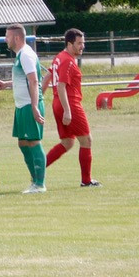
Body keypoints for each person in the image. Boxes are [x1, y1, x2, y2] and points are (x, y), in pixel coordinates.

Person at [0, 24, 47, 194]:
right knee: (23, 142)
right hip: (21, 106)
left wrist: (34, 106)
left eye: (7, 36)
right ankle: (34, 179)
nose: (5, 39)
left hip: (29, 105)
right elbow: (24, 78)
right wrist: (7, 84)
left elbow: (33, 81)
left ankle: (40, 184)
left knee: (33, 141)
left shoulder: (26, 55)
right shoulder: (20, 55)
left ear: (16, 38)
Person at [42, 29, 100, 187]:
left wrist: (39, 97)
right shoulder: (67, 60)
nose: (82, 46)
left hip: (57, 103)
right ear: (69, 44)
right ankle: (86, 181)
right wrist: (67, 110)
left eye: (83, 43)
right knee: (86, 140)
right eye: (79, 43)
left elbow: (48, 76)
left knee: (68, 142)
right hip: (69, 103)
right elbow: (61, 86)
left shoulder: (59, 57)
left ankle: (39, 170)